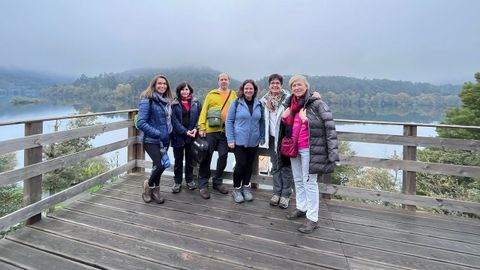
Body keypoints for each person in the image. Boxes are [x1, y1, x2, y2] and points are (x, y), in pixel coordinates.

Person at [280, 75, 339, 234]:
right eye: (293, 86)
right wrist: (284, 119)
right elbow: (290, 127)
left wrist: (307, 120)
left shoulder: (317, 103)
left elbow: (329, 125)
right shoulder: (291, 104)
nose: (296, 88)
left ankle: (313, 219)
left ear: (306, 86)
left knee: (309, 182)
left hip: (310, 149)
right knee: (298, 179)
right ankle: (301, 208)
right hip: (294, 148)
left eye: (299, 85)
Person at [197, 72, 237, 199]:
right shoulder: (211, 94)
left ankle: (217, 181)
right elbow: (204, 111)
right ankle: (203, 184)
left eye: (226, 79)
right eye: (221, 79)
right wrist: (201, 127)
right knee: (206, 156)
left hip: (225, 132)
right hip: (210, 131)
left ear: (229, 81)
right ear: (218, 81)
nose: (224, 81)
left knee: (223, 156)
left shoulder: (233, 94)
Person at [226, 79, 265, 203]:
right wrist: (230, 138)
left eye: (251, 88)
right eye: (246, 88)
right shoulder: (236, 103)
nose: (248, 90)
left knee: (249, 166)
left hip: (253, 141)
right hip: (239, 141)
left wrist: (262, 136)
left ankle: (246, 188)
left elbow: (262, 122)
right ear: (242, 90)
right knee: (240, 165)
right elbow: (229, 121)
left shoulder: (259, 104)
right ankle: (236, 189)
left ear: (254, 90)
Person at [137, 74, 174, 204]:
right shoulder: (147, 100)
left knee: (156, 166)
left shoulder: (167, 102)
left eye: (164, 84)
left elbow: (168, 121)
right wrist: (157, 133)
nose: (162, 86)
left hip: (165, 139)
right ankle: (148, 186)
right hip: (151, 140)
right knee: (160, 165)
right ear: (154, 85)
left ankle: (156, 191)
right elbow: (140, 122)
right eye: (159, 83)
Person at [259, 74, 294, 209]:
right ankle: (276, 193)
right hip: (272, 138)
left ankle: (285, 195)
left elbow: (304, 102)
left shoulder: (289, 99)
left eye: (277, 83)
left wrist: (314, 95)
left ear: (281, 85)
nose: (275, 85)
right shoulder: (264, 101)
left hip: (285, 138)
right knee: (275, 166)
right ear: (269, 85)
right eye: (272, 83)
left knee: (286, 167)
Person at [171, 81, 202, 193]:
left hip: (192, 136)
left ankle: (189, 180)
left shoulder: (196, 102)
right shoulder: (174, 104)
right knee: (178, 161)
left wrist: (195, 128)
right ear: (179, 91)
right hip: (178, 136)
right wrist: (185, 131)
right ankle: (177, 182)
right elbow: (174, 121)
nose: (185, 91)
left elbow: (200, 116)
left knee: (190, 160)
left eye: (187, 89)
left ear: (190, 91)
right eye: (183, 89)